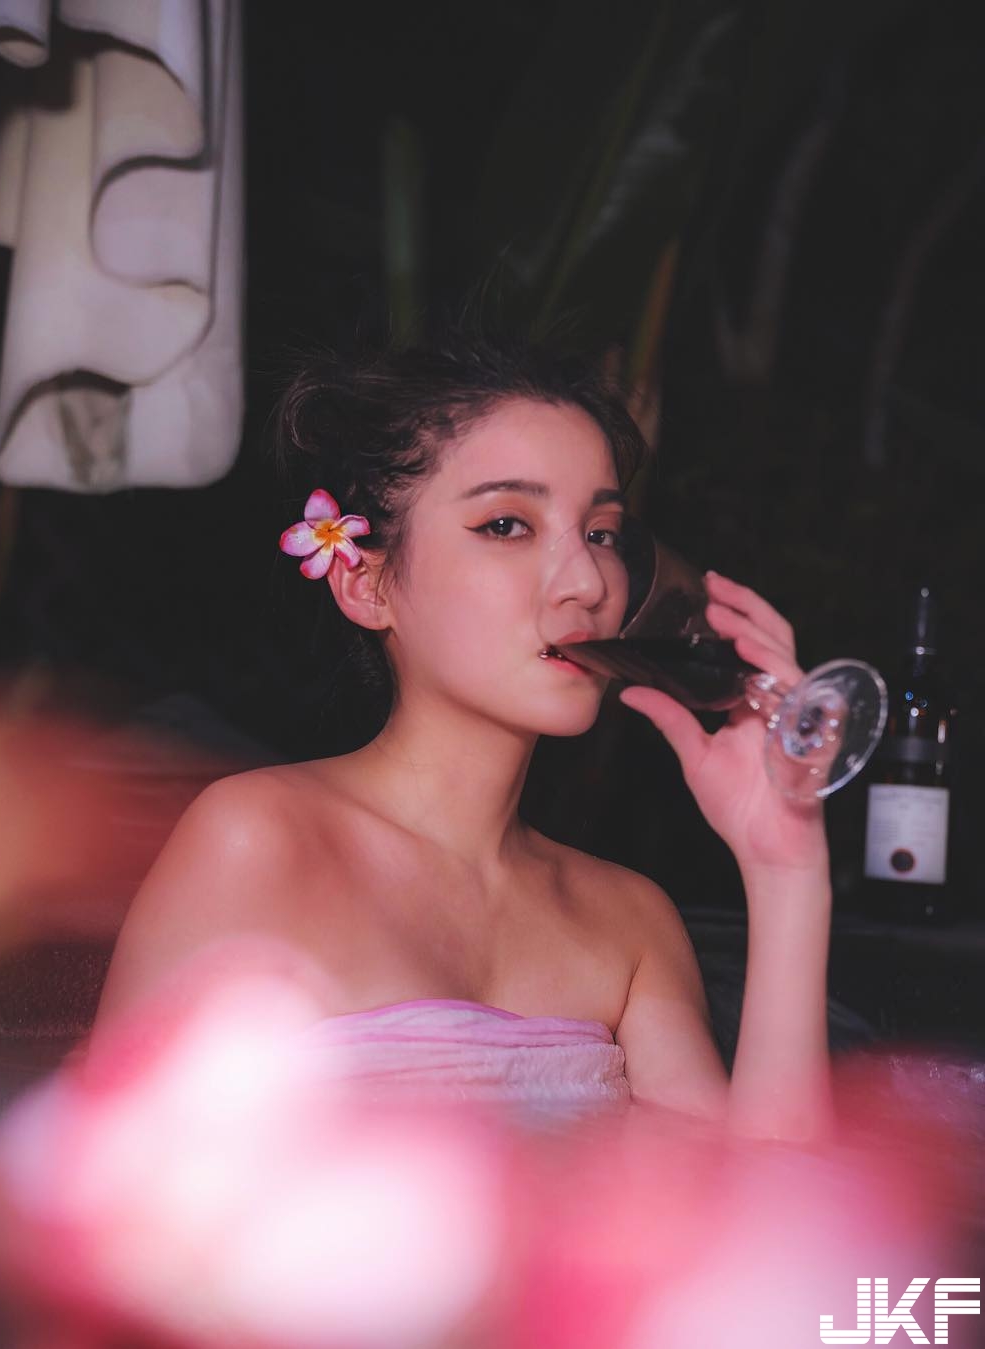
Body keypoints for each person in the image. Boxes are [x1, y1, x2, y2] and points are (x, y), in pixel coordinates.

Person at [94, 333, 834, 1140]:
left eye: (602, 532)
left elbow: (764, 1204)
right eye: (508, 524)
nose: (587, 583)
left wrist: (785, 867)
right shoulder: (260, 841)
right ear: (366, 582)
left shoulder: (629, 922)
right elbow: (104, 1185)